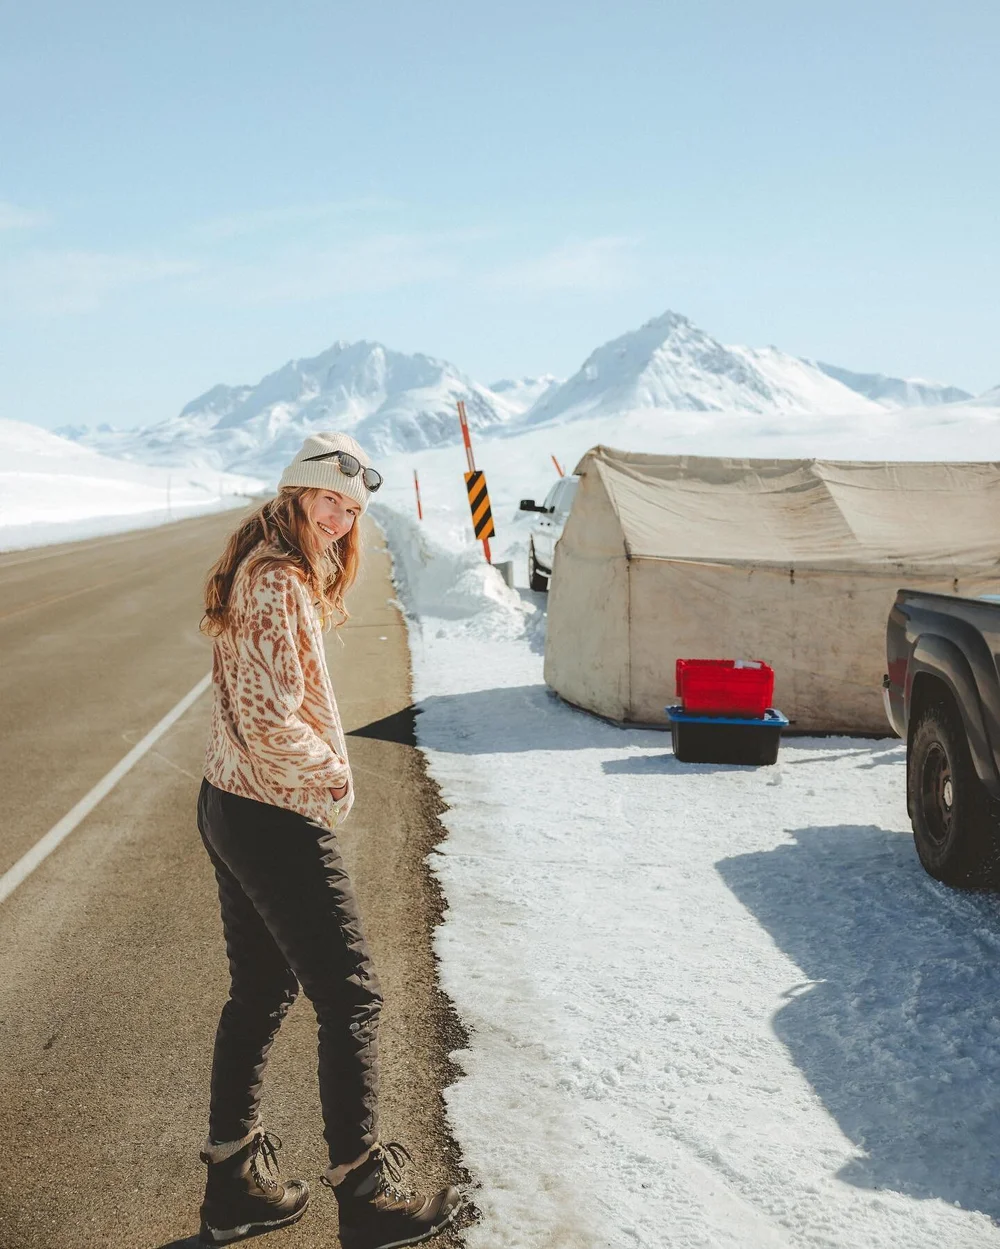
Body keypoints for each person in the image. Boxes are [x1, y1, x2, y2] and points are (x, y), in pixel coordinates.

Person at [195, 432, 461, 1249]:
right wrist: (333, 779)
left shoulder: (267, 563)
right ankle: (366, 1192)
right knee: (352, 996)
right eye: (330, 500)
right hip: (272, 812)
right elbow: (276, 721)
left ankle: (235, 1182)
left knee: (262, 993)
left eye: (352, 508)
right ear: (295, 492)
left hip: (230, 801)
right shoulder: (279, 581)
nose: (341, 519)